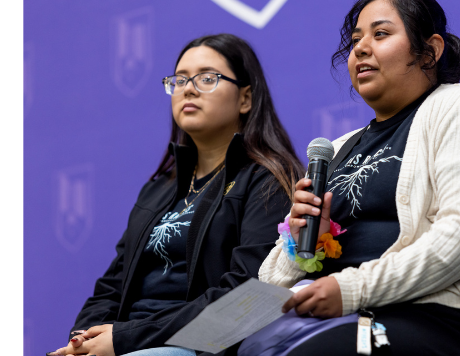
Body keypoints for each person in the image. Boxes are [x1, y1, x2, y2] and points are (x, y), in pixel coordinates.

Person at [255, 0, 460, 355]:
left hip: (448, 318)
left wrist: (351, 290)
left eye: (380, 34)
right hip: (343, 318)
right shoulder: (337, 148)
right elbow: (269, 282)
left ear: (430, 50)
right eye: (355, 40)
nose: (360, 49)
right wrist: (298, 241)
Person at [48, 34, 304, 356]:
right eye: (180, 79)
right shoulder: (158, 188)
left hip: (200, 346)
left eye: (207, 78)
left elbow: (246, 294)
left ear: (245, 98)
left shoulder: (268, 179)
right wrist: (81, 340)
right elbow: (112, 285)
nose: (189, 88)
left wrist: (125, 338)